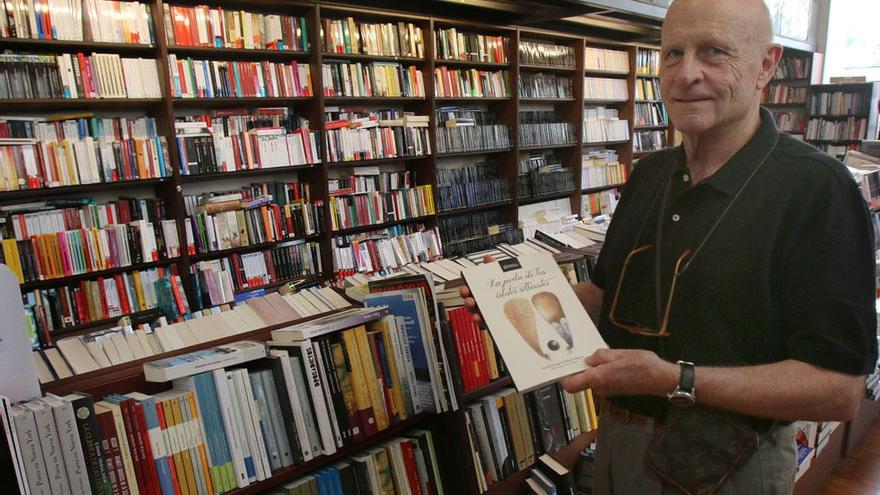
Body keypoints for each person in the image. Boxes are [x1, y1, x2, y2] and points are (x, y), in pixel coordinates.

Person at [461, 0, 878, 493]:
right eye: (672, 53)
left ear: (767, 65)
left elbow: (838, 390)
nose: (686, 74)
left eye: (714, 52)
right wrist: (517, 305)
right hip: (617, 442)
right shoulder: (649, 174)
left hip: (728, 462)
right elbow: (605, 294)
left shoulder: (817, 190)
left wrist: (674, 380)